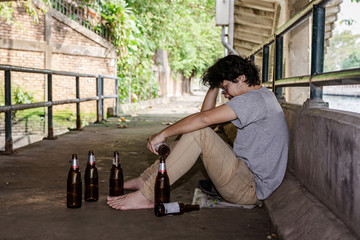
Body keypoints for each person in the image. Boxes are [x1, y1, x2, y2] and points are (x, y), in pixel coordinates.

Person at [107, 54, 289, 210]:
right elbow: (205, 117)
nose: (225, 94)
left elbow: (203, 121)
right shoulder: (259, 97)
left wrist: (163, 133)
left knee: (198, 132)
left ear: (241, 78)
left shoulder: (254, 100)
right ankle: (146, 180)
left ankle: (147, 194)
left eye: (225, 88)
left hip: (249, 187)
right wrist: (215, 84)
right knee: (194, 130)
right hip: (243, 178)